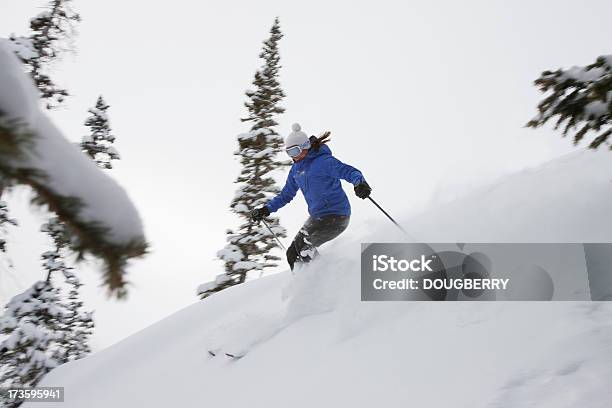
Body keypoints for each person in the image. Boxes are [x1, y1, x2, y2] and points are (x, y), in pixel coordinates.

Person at [251, 123, 371, 270]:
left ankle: (326, 277)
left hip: (336, 216)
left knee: (303, 247)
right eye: (289, 153)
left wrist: (360, 183)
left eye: (295, 151)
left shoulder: (323, 162)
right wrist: (266, 209)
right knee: (292, 254)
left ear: (305, 146)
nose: (293, 157)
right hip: (316, 218)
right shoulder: (296, 170)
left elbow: (349, 171)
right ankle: (309, 283)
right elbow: (286, 194)